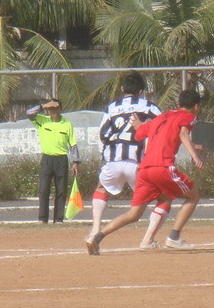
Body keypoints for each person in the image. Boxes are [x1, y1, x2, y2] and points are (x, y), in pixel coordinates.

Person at [85, 89, 204, 255]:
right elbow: (183, 133)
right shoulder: (189, 116)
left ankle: (96, 238)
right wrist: (194, 155)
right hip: (163, 167)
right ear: (196, 107)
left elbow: (140, 134)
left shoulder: (163, 117)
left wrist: (139, 126)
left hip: (144, 170)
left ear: (178, 104)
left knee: (133, 214)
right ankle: (174, 237)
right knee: (194, 195)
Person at [88, 72, 171, 250]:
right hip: (138, 164)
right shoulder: (149, 107)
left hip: (113, 161)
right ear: (141, 91)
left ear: (122, 88)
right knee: (164, 198)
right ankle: (148, 239)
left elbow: (103, 135)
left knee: (101, 188)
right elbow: (163, 130)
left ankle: (95, 229)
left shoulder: (112, 107)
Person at [26, 98, 79, 224]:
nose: (53, 111)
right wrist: (43, 106)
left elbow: (72, 144)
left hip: (61, 159)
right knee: (44, 189)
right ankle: (42, 218)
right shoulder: (42, 120)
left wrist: (75, 162)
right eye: (50, 109)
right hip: (47, 159)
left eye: (55, 108)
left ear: (60, 109)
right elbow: (29, 113)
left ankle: (58, 219)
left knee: (61, 190)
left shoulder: (67, 124)